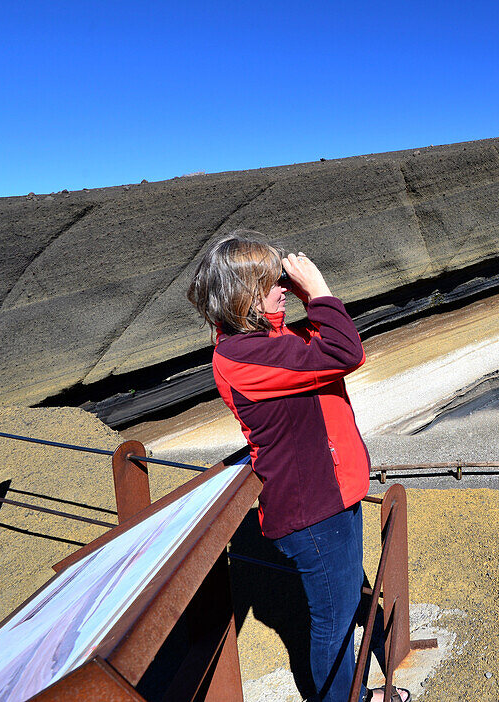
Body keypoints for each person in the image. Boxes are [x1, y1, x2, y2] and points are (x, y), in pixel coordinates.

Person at [187, 231, 410, 702]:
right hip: (313, 511)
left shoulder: (270, 339)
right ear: (245, 294)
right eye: (272, 282)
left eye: (282, 280)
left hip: (332, 496)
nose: (283, 288)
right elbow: (345, 353)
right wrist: (321, 291)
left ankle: (355, 694)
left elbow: (324, 347)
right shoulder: (243, 354)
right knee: (335, 620)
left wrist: (309, 300)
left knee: (345, 608)